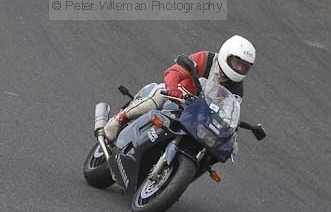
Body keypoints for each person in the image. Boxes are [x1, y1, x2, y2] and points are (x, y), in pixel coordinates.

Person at [103, 35, 256, 142]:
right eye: (237, 62)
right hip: (178, 97)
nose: (239, 68)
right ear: (226, 54)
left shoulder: (236, 90)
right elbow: (174, 71)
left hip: (200, 115)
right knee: (159, 94)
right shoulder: (206, 59)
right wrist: (172, 87)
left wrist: (229, 130)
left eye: (244, 67)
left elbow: (228, 114)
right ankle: (119, 119)